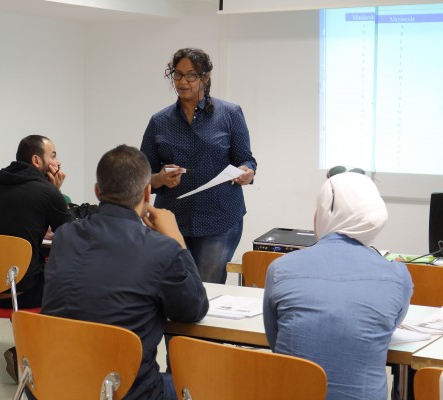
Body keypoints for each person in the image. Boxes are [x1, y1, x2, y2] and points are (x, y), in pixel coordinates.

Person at [39, 145, 209, 400]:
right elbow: (194, 308)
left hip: (53, 385)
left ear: (97, 191)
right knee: (204, 386)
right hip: (124, 391)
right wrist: (178, 241)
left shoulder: (65, 237)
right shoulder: (162, 249)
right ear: (148, 193)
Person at [263, 172, 413, 400]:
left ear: (322, 214)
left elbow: (275, 341)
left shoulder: (280, 268)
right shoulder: (397, 275)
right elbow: (387, 328)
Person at [140, 47, 257, 284]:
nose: (183, 81)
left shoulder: (230, 114)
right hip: (172, 218)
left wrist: (247, 172)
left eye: (191, 75)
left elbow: (246, 159)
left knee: (208, 287)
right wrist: (161, 178)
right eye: (177, 74)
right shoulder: (159, 121)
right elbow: (142, 176)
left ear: (205, 77)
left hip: (219, 217)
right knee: (174, 285)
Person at [0, 134, 72, 382]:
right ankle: (22, 353)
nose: (58, 162)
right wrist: (55, 192)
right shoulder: (47, 192)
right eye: (54, 155)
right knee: (69, 287)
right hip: (19, 293)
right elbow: (70, 237)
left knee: (4, 271)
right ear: (37, 160)